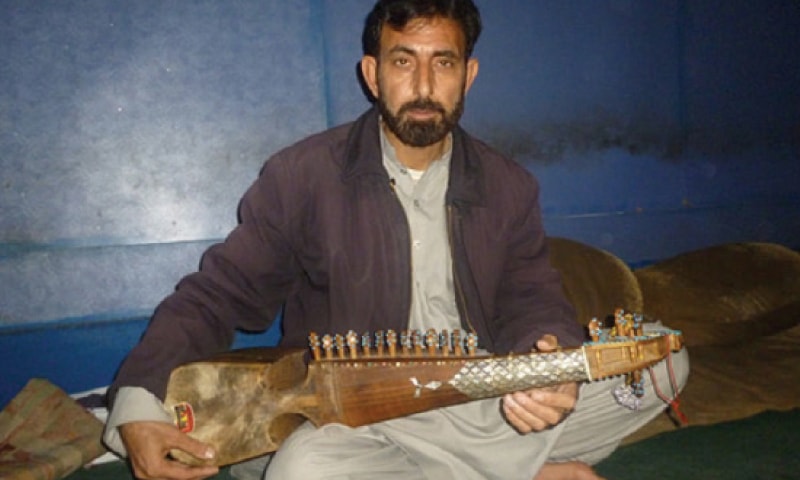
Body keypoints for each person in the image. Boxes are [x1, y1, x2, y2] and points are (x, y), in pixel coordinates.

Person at [103, 1, 689, 479]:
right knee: (304, 470)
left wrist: (550, 371)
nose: (425, 85)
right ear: (372, 73)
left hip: (484, 396)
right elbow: (217, 295)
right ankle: (523, 470)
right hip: (357, 415)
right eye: (403, 61)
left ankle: (487, 463)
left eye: (444, 63)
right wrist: (136, 401)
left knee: (665, 357)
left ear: (470, 74)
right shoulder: (303, 176)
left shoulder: (509, 186)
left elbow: (531, 296)